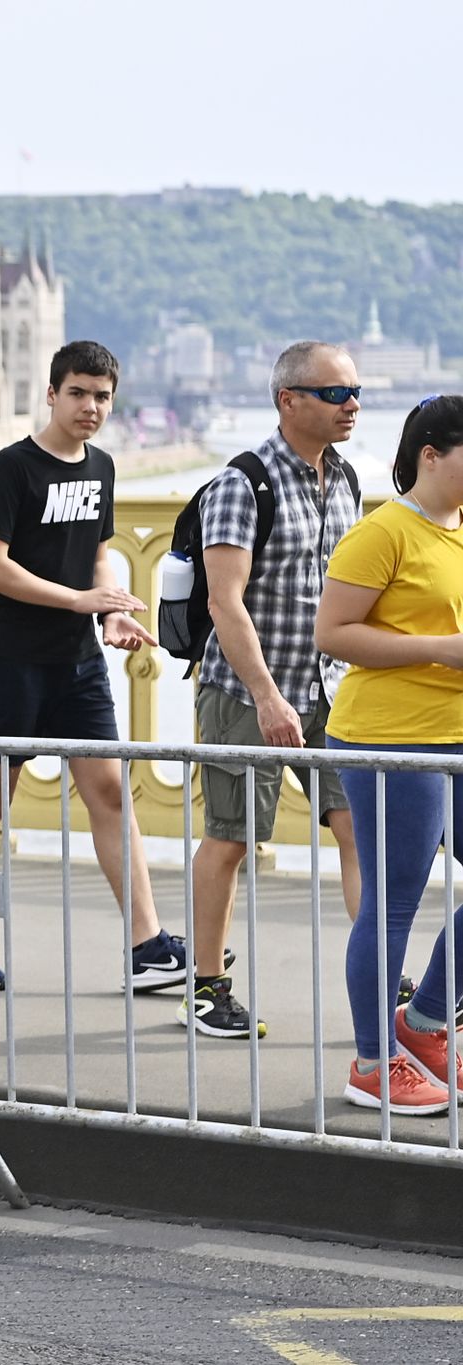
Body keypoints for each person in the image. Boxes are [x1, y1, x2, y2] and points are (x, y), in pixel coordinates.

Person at [0, 340, 195, 992]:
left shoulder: (103, 467)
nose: (90, 407)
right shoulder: (13, 468)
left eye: (102, 396)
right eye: (78, 393)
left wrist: (109, 612)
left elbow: (96, 552)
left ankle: (146, 944)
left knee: (110, 791)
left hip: (79, 663)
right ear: (52, 394)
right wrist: (80, 601)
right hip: (10, 658)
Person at [184, 342, 365, 1038]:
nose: (350, 404)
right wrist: (265, 695)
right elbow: (226, 604)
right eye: (333, 393)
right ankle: (205, 986)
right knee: (231, 839)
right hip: (247, 690)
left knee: (358, 826)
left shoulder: (345, 478)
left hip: (330, 689)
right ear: (289, 400)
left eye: (355, 392)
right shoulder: (243, 483)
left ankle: (375, 969)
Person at [315, 394, 463, 1114]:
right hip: (389, 738)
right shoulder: (383, 533)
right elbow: (334, 633)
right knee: (394, 899)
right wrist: (441, 651)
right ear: (430, 454)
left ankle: (427, 1023)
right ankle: (373, 1062)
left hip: (457, 734)